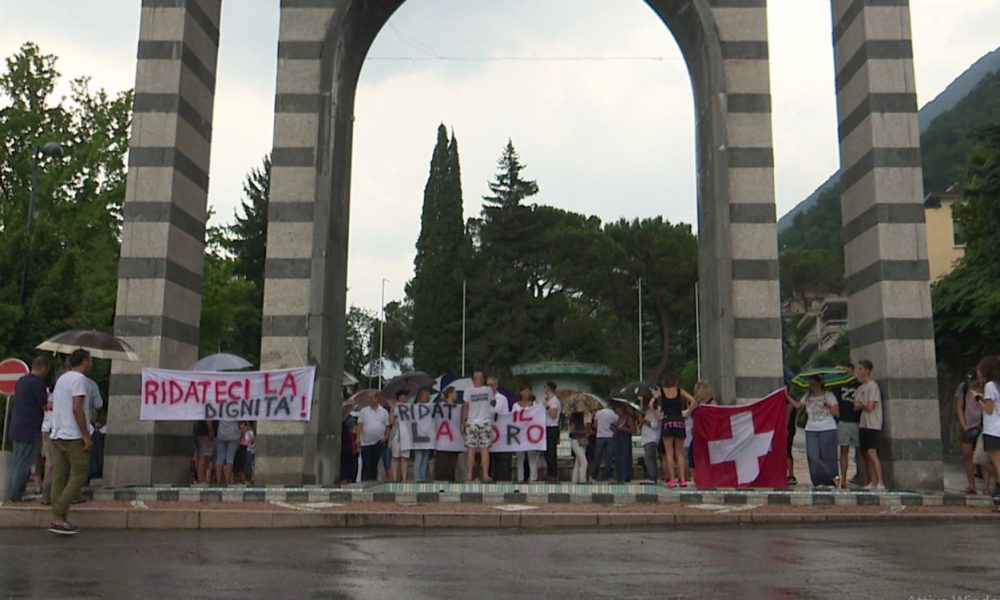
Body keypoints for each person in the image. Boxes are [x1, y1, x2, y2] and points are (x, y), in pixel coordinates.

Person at [47, 349, 94, 535]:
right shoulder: (79, 380)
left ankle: (58, 517)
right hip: (73, 435)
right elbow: (77, 408)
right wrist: (86, 435)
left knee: (59, 476)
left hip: (57, 433)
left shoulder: (62, 379)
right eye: (90, 360)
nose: (92, 364)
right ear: (84, 361)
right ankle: (59, 515)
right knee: (79, 473)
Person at [8, 355, 51, 502]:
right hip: (30, 428)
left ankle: (13, 492)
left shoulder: (22, 381)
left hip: (16, 426)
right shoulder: (38, 384)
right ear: (44, 368)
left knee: (17, 461)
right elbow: (45, 406)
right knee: (24, 462)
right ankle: (16, 495)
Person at [789, 374, 840, 487]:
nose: (811, 386)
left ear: (820, 383)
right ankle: (819, 480)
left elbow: (837, 413)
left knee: (827, 456)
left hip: (827, 427)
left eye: (813, 384)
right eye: (810, 384)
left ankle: (832, 478)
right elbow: (798, 406)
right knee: (812, 455)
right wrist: (786, 395)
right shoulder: (807, 396)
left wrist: (829, 406)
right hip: (811, 428)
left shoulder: (829, 395)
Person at [853, 359, 885, 491]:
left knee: (872, 452)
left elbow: (870, 406)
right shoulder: (860, 388)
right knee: (866, 453)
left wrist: (862, 404)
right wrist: (863, 404)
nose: (858, 371)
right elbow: (855, 406)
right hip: (863, 423)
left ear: (867, 370)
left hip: (873, 423)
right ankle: (872, 481)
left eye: (860, 369)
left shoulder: (873, 386)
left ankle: (880, 482)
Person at [659, 376, 694, 487]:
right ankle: (682, 479)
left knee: (669, 452)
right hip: (679, 420)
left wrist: (658, 415)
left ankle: (672, 480)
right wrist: (687, 415)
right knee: (680, 452)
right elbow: (693, 401)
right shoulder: (679, 391)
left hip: (667, 420)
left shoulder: (661, 391)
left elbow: (651, 403)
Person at [975, 356, 1000, 509]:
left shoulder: (990, 386)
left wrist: (978, 399)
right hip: (996, 428)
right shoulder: (997, 385)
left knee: (996, 463)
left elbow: (989, 410)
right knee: (983, 459)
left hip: (992, 429)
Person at [833, 363, 863, 489]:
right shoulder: (837, 386)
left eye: (846, 370)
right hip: (843, 421)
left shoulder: (859, 386)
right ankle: (844, 480)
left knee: (860, 451)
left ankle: (864, 478)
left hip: (857, 421)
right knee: (843, 451)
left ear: (852, 370)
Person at [956, 368, 984, 494]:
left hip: (982, 426)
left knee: (982, 457)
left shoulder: (986, 388)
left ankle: (986, 487)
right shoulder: (964, 388)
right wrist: (963, 425)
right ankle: (971, 485)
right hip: (968, 426)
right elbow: (959, 406)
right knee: (968, 455)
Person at [462, 371, 493, 482]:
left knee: (472, 449)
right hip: (483, 421)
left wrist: (463, 422)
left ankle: (471, 475)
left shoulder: (468, 391)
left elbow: (465, 407)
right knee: (483, 448)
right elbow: (493, 402)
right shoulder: (488, 390)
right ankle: (484, 474)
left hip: (472, 422)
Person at [355, 391, 389, 481]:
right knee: (366, 464)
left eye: (371, 398)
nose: (369, 400)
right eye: (368, 398)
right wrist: (358, 438)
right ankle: (364, 482)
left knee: (374, 464)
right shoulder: (364, 411)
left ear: (377, 399)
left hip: (378, 442)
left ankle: (372, 482)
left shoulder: (384, 412)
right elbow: (359, 425)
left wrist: (385, 437)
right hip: (365, 442)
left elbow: (387, 427)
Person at [512, 386, 541, 482]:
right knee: (520, 457)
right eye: (525, 391)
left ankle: (533, 478)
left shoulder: (534, 405)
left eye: (529, 391)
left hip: (531, 434)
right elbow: (512, 418)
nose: (527, 393)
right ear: (521, 393)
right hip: (519, 433)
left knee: (532, 456)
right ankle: (520, 478)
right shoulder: (515, 406)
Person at [433, 386, 461, 482]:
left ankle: (450, 482)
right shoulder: (439, 407)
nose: (456, 394)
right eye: (455, 392)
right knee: (442, 465)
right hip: (442, 442)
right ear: (450, 394)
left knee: (452, 465)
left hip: (454, 442)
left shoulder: (459, 408)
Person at [488, 377, 511, 482]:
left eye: (492, 385)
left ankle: (500, 478)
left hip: (499, 432)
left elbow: (506, 415)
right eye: (488, 385)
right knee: (487, 456)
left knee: (499, 457)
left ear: (496, 386)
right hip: (487, 430)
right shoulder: (484, 398)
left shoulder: (502, 399)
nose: (490, 387)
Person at [411, 387, 433, 483]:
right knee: (419, 457)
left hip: (427, 436)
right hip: (418, 435)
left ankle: (423, 478)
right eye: (422, 395)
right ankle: (417, 479)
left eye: (426, 395)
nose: (424, 397)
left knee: (425, 458)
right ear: (419, 397)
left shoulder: (431, 407)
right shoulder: (415, 408)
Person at [388, 390, 411, 482]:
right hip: (397, 435)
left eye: (404, 397)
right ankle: (394, 478)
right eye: (400, 397)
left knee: (405, 458)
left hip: (407, 435)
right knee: (395, 457)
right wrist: (392, 410)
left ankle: (404, 479)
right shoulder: (395, 408)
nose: (402, 399)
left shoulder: (411, 408)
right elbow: (391, 422)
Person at [592, 404, 617, 481]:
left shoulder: (598, 413)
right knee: (608, 457)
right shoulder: (613, 414)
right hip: (610, 436)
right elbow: (616, 424)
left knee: (597, 456)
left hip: (600, 436)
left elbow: (595, 425)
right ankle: (607, 477)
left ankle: (594, 476)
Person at [542, 382, 561, 481]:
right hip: (546, 427)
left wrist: (547, 406)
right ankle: (550, 472)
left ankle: (553, 474)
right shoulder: (548, 400)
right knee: (547, 452)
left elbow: (553, 415)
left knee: (551, 452)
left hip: (552, 427)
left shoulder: (554, 401)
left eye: (545, 388)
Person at [640, 390, 660, 481]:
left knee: (649, 458)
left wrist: (644, 421)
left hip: (651, 439)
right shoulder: (647, 412)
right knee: (650, 458)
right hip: (646, 439)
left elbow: (655, 425)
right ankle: (653, 475)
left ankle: (652, 476)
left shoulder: (655, 412)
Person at [613, 405, 636, 483]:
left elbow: (633, 430)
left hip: (625, 440)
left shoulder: (628, 419)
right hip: (618, 440)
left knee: (625, 458)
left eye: (619, 411)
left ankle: (626, 476)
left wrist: (623, 428)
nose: (618, 413)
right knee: (618, 458)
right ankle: (619, 476)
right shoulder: (619, 419)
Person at [568, 407, 591, 484]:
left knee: (578, 462)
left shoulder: (581, 419)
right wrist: (583, 431)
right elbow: (572, 431)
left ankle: (575, 480)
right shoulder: (575, 419)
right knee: (584, 462)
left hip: (580, 441)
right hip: (576, 440)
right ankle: (582, 480)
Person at [214, 418, 240, 485]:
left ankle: (218, 480)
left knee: (220, 458)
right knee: (230, 458)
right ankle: (227, 481)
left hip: (221, 434)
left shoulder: (221, 409)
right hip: (233, 435)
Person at [193, 419, 215, 483]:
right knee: (203, 456)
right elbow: (207, 417)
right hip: (204, 433)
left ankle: (202, 476)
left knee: (206, 457)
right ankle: (200, 478)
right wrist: (210, 429)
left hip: (204, 432)